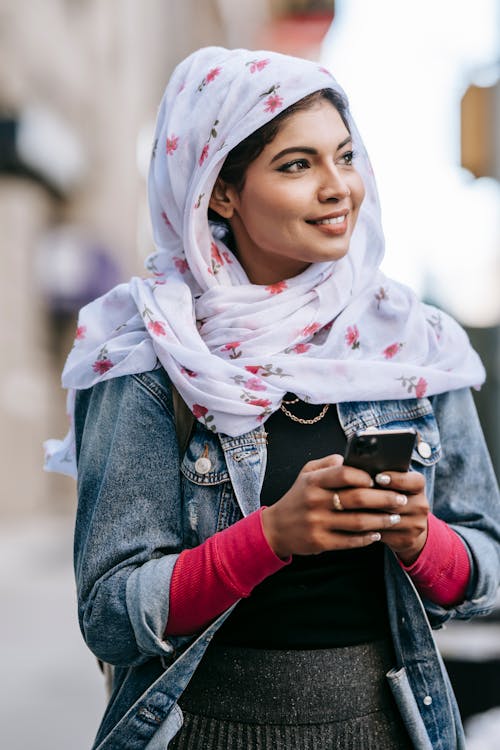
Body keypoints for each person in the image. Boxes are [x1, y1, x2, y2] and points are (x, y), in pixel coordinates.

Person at [45, 46, 500, 750]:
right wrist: (268, 538)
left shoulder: (413, 342)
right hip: (202, 730)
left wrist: (419, 538)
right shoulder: (147, 347)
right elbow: (109, 613)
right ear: (218, 190)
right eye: (297, 164)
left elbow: (487, 571)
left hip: (391, 730)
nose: (339, 188)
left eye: (344, 157)